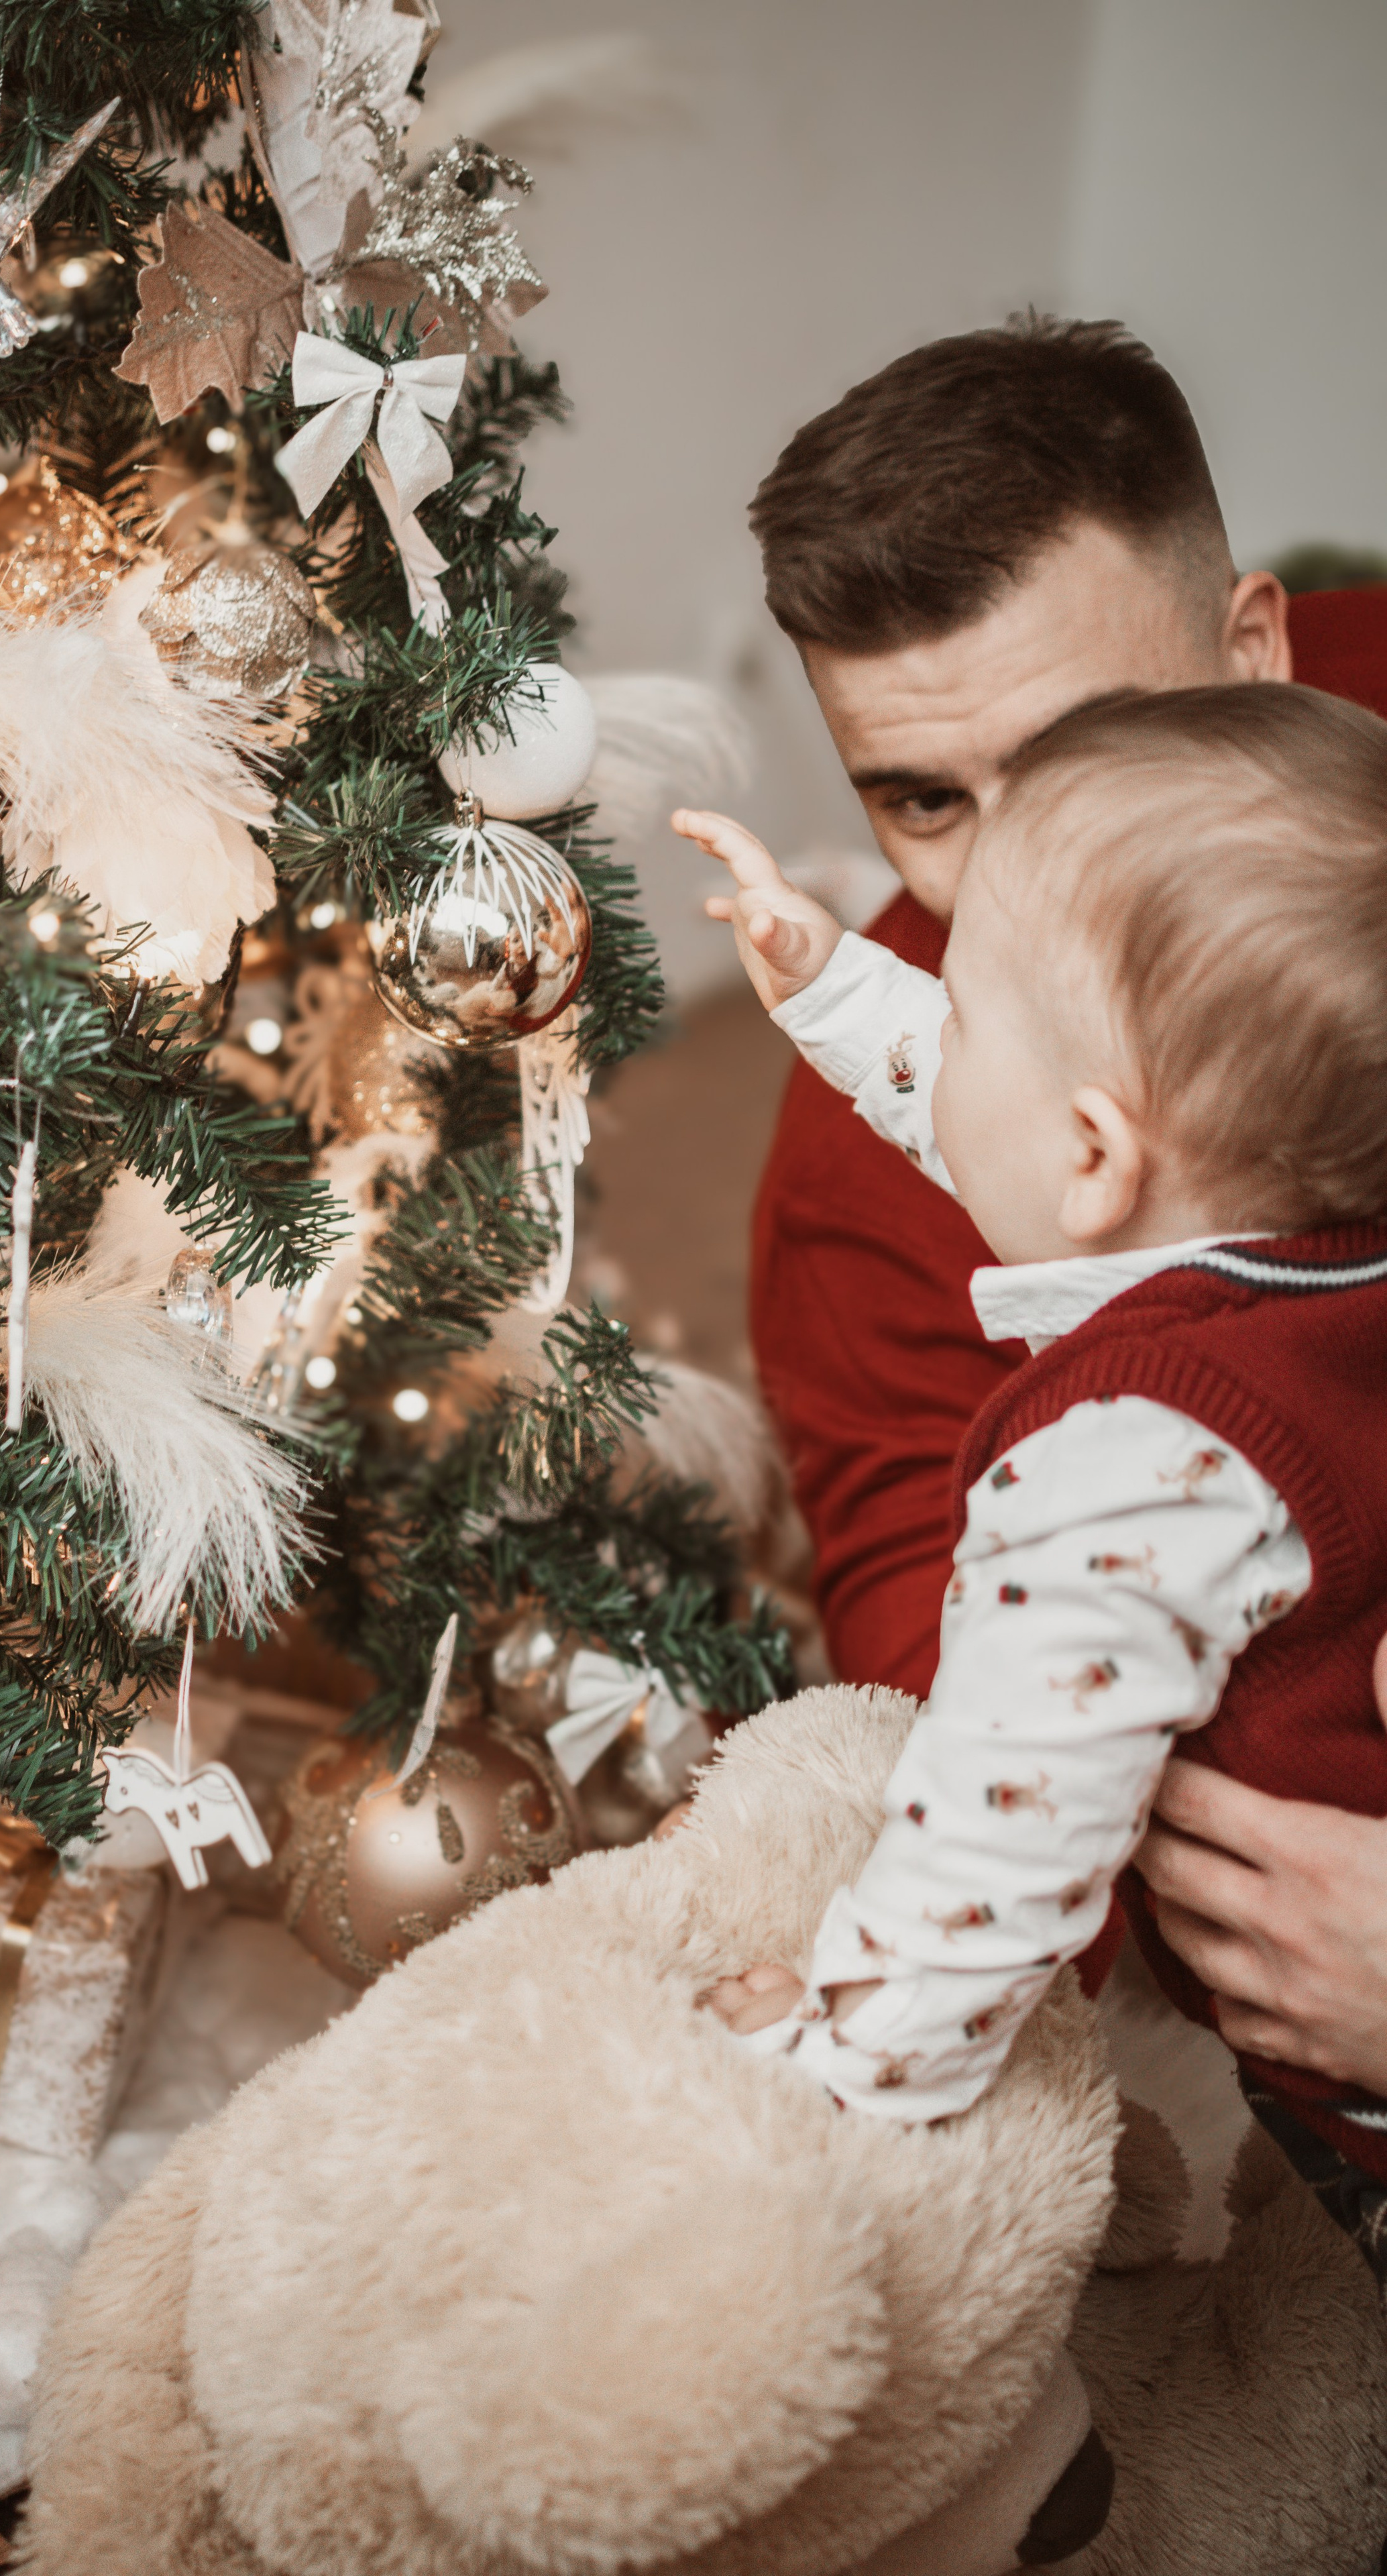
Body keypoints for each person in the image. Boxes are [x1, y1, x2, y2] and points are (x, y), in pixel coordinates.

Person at [744, 313, 1387, 2102]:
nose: (1013, 878)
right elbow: (978, 1744)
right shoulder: (882, 1154)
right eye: (924, 802)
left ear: (1255, 648)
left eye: (1095, 745)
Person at [673, 683, 1387, 2268]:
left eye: (964, 1013)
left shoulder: (1135, 1467)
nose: (942, 1051)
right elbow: (1027, 1135)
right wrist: (834, 989)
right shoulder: (1308, 1260)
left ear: (1088, 1157)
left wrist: (841, 2071)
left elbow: (1003, 1833)